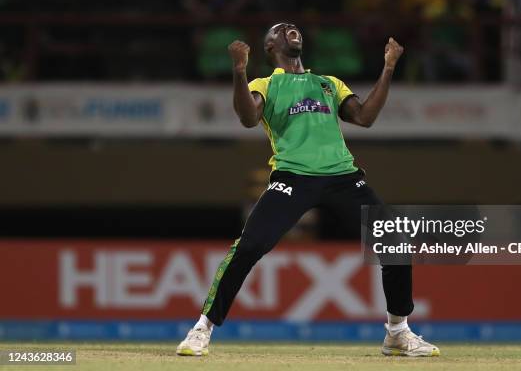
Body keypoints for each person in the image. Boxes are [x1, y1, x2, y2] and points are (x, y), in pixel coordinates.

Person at [176, 23, 440, 358]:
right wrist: (240, 71)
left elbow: (365, 117)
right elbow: (247, 118)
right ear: (270, 45)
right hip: (293, 177)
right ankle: (202, 328)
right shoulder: (266, 84)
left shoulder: (328, 84)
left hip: (343, 176)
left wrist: (388, 67)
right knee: (249, 246)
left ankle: (398, 333)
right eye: (282, 29)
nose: (292, 30)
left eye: (295, 28)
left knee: (396, 244)